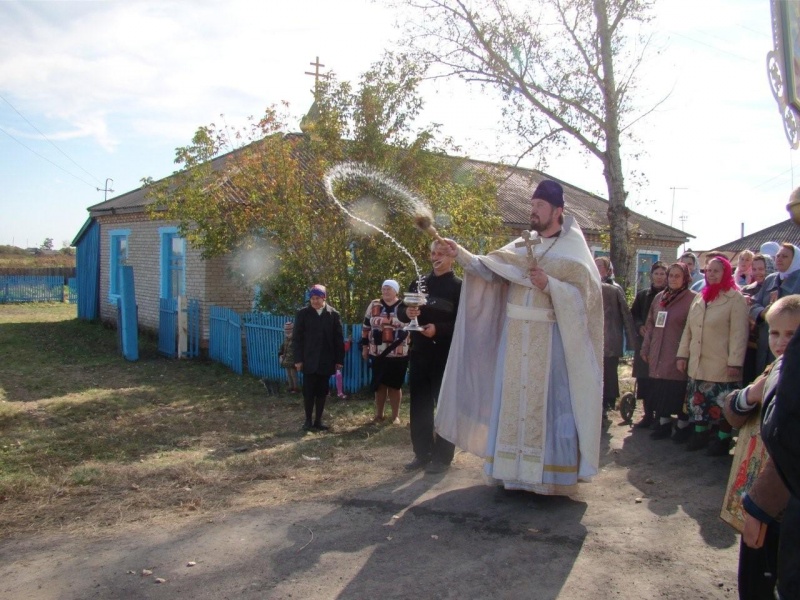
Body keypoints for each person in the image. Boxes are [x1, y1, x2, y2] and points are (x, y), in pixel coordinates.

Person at [434, 179, 603, 496]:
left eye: (540, 206)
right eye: (532, 205)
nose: (534, 211)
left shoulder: (575, 252)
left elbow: (588, 302)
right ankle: (511, 474)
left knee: (548, 407)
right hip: (513, 345)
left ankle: (548, 479)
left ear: (558, 211)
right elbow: (489, 270)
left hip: (550, 343)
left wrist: (550, 284)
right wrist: (460, 254)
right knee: (512, 405)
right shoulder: (521, 245)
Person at [723, 295, 800, 600]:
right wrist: (750, 396)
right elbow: (733, 415)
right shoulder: (773, 370)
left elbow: (788, 451)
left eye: (792, 335)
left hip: (776, 509)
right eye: (774, 333)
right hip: (753, 497)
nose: (780, 342)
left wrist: (759, 508)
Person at [398, 241, 462, 473]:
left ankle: (442, 457)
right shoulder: (419, 282)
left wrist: (439, 328)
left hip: (445, 355)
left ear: (451, 257)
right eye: (433, 253)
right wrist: (406, 312)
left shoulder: (458, 286)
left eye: (441, 254)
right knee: (420, 405)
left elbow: (464, 323)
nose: (436, 257)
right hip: (420, 353)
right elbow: (400, 310)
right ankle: (422, 453)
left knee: (443, 405)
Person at [676, 257, 749, 455]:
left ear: (726, 272)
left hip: (722, 363)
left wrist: (735, 362)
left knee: (724, 404)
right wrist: (682, 355)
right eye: (709, 271)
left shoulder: (735, 299)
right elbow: (688, 330)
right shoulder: (700, 297)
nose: (711, 274)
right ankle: (700, 435)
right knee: (698, 402)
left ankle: (722, 439)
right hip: (699, 363)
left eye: (717, 271)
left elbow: (739, 334)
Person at [640, 262, 696, 440]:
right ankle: (663, 424)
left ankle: (682, 426)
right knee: (661, 389)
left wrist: (685, 353)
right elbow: (650, 324)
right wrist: (646, 347)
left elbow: (693, 328)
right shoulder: (659, 298)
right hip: (658, 351)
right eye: (670, 275)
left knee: (678, 390)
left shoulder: (693, 299)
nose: (672, 279)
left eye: (677, 276)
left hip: (677, 352)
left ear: (685, 278)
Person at [293, 284, 345, 432]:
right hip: (308, 360)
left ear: (324, 298)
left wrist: (339, 360)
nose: (315, 301)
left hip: (326, 360)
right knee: (309, 392)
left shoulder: (333, 315)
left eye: (318, 298)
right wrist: (298, 359)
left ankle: (318, 421)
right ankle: (308, 420)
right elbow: (297, 339)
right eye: (312, 298)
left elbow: (338, 340)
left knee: (322, 392)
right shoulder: (303, 314)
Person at [360, 279, 409, 425]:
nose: (385, 291)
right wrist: (364, 347)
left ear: (396, 291)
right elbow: (365, 327)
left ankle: (395, 416)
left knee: (395, 386)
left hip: (399, 353)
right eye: (384, 288)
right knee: (379, 385)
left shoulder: (404, 305)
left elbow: (413, 325)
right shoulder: (375, 304)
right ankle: (379, 414)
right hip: (377, 352)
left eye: (389, 288)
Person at [748, 243, 800, 374]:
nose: (779, 259)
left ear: (795, 259)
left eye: (785, 256)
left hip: (790, 342)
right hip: (766, 341)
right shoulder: (771, 279)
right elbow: (753, 304)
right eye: (778, 256)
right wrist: (763, 313)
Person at [596, 257, 636, 420]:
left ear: (608, 269)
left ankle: (607, 402)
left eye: (600, 266)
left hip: (611, 338)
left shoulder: (614, 288)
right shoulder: (588, 286)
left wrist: (632, 340)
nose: (596, 268)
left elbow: (626, 314)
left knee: (609, 373)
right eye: (594, 264)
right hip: (594, 338)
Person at [630, 261, 668, 428]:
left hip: (661, 344)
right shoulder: (643, 295)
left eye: (662, 274)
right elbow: (634, 315)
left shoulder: (669, 296)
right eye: (656, 273)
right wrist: (640, 326)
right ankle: (647, 414)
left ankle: (660, 416)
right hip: (644, 343)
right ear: (651, 275)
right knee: (644, 379)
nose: (659, 277)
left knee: (658, 381)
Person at [741, 254, 770, 385]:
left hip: (768, 345)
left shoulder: (776, 289)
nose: (758, 272)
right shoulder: (747, 290)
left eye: (761, 269)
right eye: (755, 269)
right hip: (749, 345)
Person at [278, 321, 299, 393]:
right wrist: (281, 355)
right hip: (286, 359)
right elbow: (283, 348)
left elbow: (297, 349)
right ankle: (290, 387)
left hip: (293, 360)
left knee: (293, 375)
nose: (287, 331)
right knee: (288, 374)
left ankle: (295, 388)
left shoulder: (295, 338)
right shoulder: (286, 338)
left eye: (289, 329)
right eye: (286, 329)